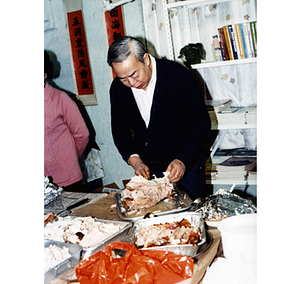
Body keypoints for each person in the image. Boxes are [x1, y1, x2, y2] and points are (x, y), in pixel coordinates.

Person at [107, 36, 211, 199]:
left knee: (190, 215)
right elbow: (119, 131)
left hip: (185, 166)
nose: (131, 83)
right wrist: (135, 161)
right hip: (149, 170)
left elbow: (201, 123)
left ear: (146, 59)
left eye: (134, 74)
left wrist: (183, 159)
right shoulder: (118, 89)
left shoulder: (177, 75)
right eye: (123, 78)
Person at [44, 51, 89, 191]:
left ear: (44, 74)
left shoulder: (61, 98)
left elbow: (82, 134)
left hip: (66, 178)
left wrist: (70, 157)